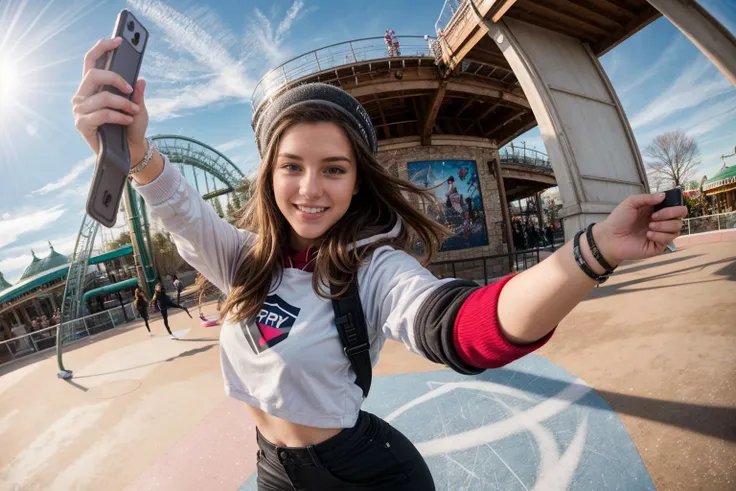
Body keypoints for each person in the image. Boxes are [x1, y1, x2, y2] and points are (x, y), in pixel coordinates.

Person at [72, 38, 687, 490]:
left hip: (364, 474)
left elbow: (462, 326)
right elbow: (177, 205)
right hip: (270, 468)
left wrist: (592, 252)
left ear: (359, 180)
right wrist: (133, 146)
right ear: (270, 174)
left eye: (334, 168)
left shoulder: (372, 268)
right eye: (292, 165)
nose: (310, 188)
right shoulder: (242, 259)